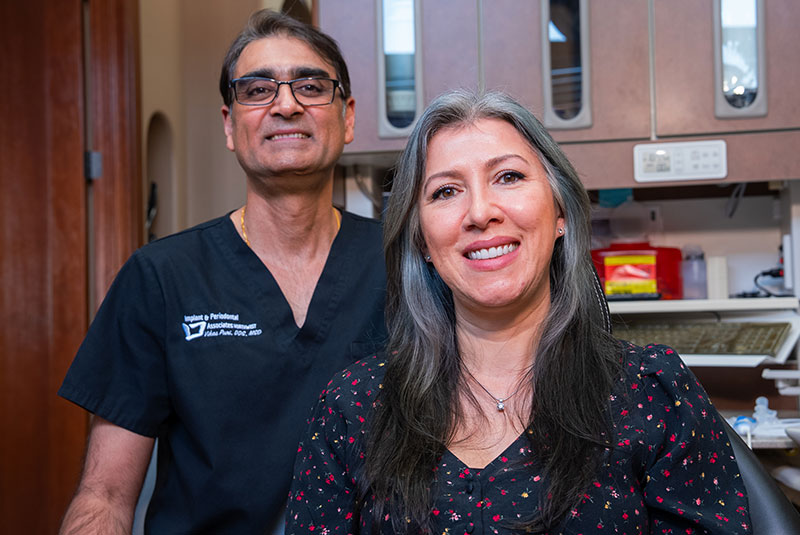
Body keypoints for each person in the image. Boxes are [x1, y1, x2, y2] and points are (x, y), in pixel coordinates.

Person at [286, 90, 752, 534]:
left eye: (508, 177)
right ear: (422, 241)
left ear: (561, 212)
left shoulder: (652, 395)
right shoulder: (354, 407)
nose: (480, 211)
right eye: (446, 191)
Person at [58, 10, 387, 534]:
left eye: (310, 85)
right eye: (257, 90)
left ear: (346, 117)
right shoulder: (161, 278)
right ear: (231, 126)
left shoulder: (409, 268)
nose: (285, 104)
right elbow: (105, 496)